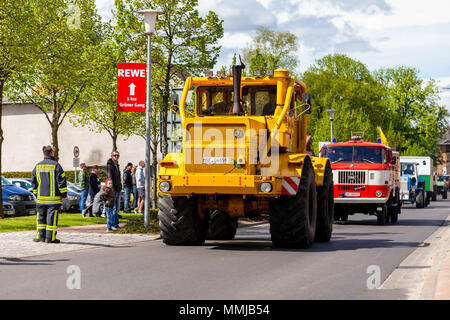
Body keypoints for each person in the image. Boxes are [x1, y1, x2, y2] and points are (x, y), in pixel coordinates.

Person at [31, 145, 67, 243]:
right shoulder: (56, 165)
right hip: (53, 200)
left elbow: (33, 182)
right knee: (52, 218)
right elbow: (61, 181)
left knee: (40, 218)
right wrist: (63, 195)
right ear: (51, 153)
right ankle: (50, 238)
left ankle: (40, 236)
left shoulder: (37, 166)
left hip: (40, 199)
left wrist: (36, 194)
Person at [106, 151, 122, 227]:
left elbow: (118, 178)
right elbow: (110, 178)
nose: (116, 156)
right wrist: (113, 191)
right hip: (113, 190)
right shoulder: (110, 166)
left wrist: (120, 187)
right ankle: (113, 224)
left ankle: (116, 223)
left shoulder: (117, 165)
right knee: (114, 208)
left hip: (118, 189)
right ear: (111, 156)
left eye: (117, 155)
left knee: (117, 208)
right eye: (115, 155)